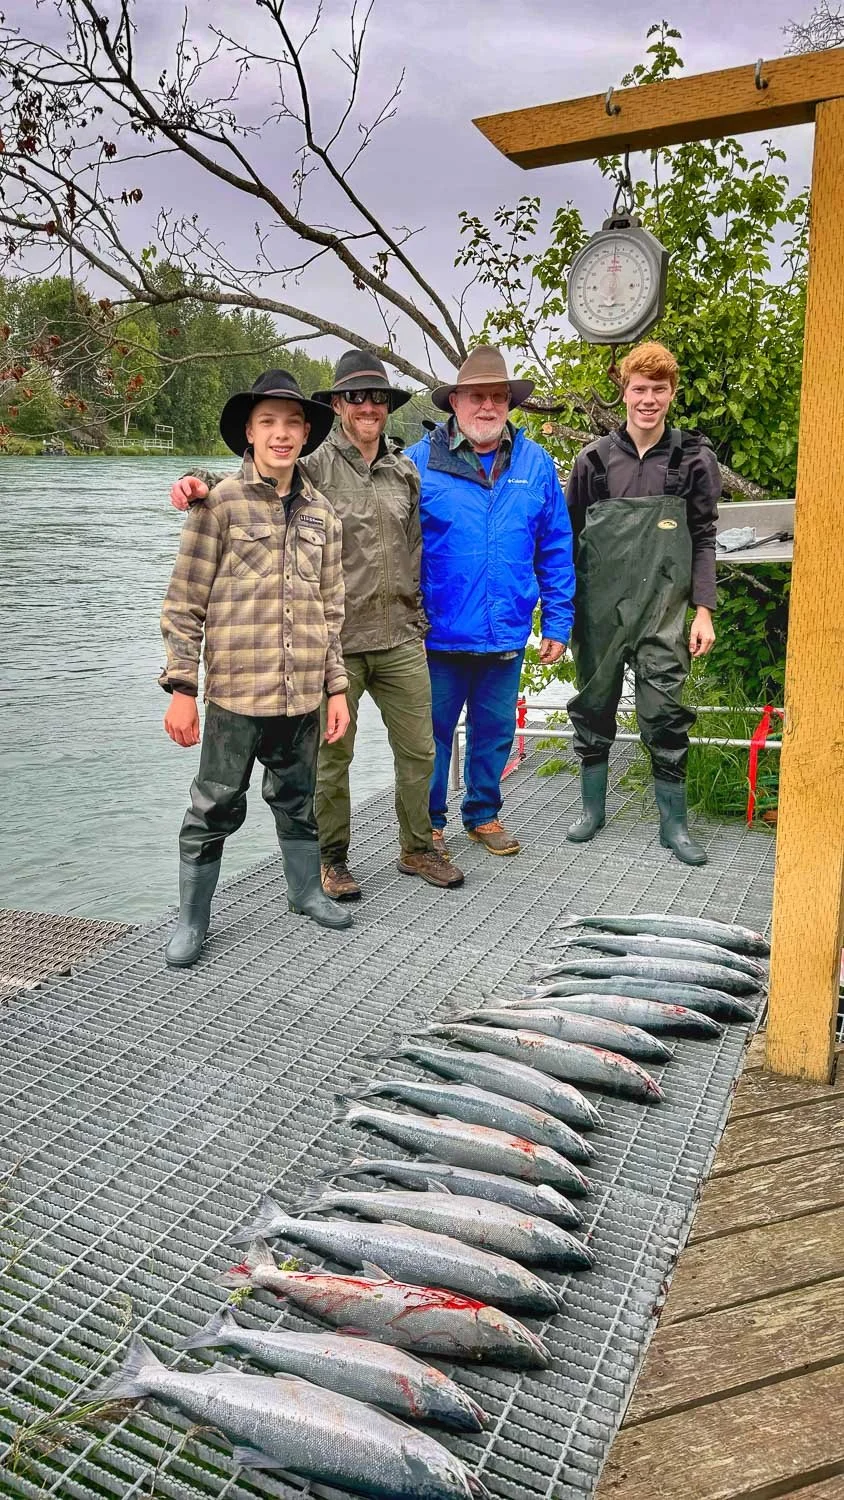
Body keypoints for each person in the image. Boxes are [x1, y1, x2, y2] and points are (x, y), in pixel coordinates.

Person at [170, 350, 463, 900]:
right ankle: (331, 861)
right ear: (335, 406)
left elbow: (415, 548)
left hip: (400, 635)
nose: (368, 406)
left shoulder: (405, 472)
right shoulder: (315, 465)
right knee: (332, 759)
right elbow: (258, 475)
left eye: (377, 397)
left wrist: (419, 615)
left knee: (421, 750)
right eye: (355, 397)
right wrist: (196, 479)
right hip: (337, 643)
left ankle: (418, 847)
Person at [160, 370, 353, 969]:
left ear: (306, 433)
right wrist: (182, 688)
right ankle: (193, 920)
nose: (281, 433)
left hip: (301, 698)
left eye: (293, 422)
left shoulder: (323, 512)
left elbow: (332, 607)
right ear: (249, 431)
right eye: (268, 421)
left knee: (297, 800)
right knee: (214, 804)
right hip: (235, 696)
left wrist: (337, 687)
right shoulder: (215, 504)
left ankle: (304, 892)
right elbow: (184, 600)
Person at [407, 345, 575, 857]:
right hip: (437, 632)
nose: (487, 407)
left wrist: (558, 621)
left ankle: (482, 814)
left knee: (496, 729)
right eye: (476, 396)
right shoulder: (418, 463)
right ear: (455, 402)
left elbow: (555, 546)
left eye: (497, 397)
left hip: (505, 628)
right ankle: (429, 824)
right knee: (429, 735)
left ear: (509, 404)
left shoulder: (535, 463)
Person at [564, 340, 720, 866]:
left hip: (667, 611)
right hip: (600, 610)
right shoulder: (592, 461)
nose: (648, 399)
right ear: (623, 391)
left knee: (666, 712)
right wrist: (562, 616)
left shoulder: (694, 459)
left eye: (659, 389)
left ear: (672, 393)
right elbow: (568, 539)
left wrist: (704, 610)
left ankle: (673, 824)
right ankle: (593, 810)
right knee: (592, 704)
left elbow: (704, 535)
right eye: (639, 388)